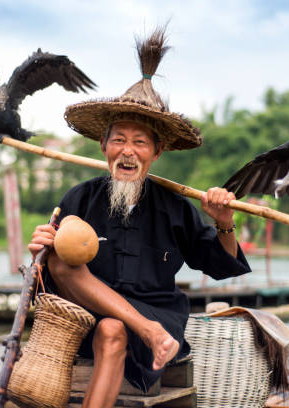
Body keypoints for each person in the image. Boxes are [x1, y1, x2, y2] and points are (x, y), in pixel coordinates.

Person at [28, 27, 251, 408]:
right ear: (103, 146)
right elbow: (45, 282)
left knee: (114, 328)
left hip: (158, 315)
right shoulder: (80, 197)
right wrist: (39, 251)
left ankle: (146, 330)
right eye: (119, 140)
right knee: (60, 262)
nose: (127, 151)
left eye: (139, 142)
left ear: (157, 152)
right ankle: (146, 332)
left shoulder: (176, 206)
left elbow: (221, 263)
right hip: (87, 318)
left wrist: (224, 220)